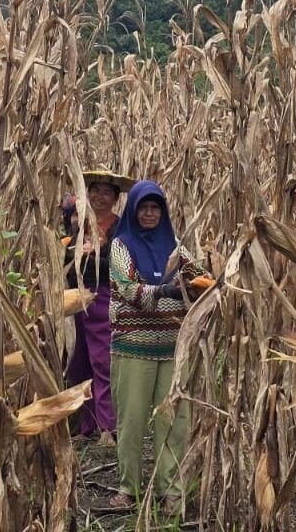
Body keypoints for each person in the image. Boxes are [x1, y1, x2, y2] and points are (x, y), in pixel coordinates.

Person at [106, 180, 207, 509]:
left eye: (155, 208)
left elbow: (198, 277)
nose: (149, 214)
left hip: (173, 346)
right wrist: (163, 291)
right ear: (134, 211)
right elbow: (127, 287)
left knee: (174, 420)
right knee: (132, 419)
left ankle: (172, 489)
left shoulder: (175, 246)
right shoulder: (121, 245)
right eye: (144, 208)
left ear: (162, 212)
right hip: (133, 345)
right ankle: (128, 487)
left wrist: (211, 282)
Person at [61, 170, 131, 445]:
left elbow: (119, 265)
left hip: (103, 296)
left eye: (107, 193)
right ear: (87, 194)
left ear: (115, 199)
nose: (100, 197)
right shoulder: (80, 227)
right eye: (96, 191)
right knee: (79, 360)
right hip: (76, 298)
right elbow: (67, 259)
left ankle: (108, 428)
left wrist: (95, 253)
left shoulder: (118, 229)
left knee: (102, 359)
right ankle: (86, 425)